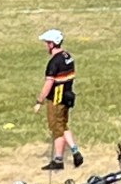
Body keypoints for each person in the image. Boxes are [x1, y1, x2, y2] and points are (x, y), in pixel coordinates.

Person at [35, 29, 84, 171]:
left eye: (47, 43)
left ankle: (58, 160)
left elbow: (48, 84)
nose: (46, 46)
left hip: (56, 99)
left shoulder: (54, 62)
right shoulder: (68, 56)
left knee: (57, 129)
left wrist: (39, 101)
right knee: (63, 125)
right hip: (67, 96)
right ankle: (75, 151)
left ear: (52, 44)